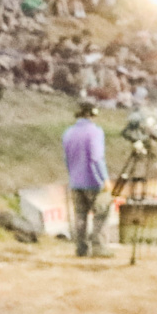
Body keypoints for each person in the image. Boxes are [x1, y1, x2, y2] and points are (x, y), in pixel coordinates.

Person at [63, 100, 110, 258]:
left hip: (75, 180)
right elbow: (96, 158)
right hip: (93, 180)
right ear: (93, 113)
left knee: (80, 217)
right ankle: (99, 247)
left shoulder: (68, 132)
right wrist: (104, 179)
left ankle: (80, 248)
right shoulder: (95, 132)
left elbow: (67, 158)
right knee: (101, 214)